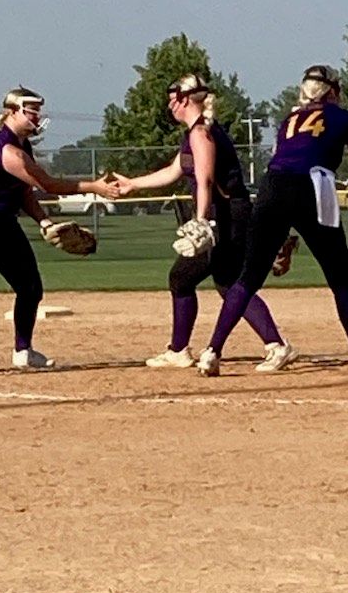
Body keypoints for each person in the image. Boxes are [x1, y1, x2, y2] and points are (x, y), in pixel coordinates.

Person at [196, 65, 348, 379]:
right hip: (314, 185)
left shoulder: (288, 120)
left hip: (273, 185)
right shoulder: (345, 118)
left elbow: (287, 159)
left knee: (249, 277)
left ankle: (212, 352)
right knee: (340, 278)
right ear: (332, 91)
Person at [113, 74, 297, 372]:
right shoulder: (196, 132)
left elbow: (205, 180)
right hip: (227, 213)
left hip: (222, 215)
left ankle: (178, 350)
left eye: (172, 99)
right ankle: (276, 345)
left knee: (181, 278)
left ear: (184, 99)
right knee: (229, 284)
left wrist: (201, 220)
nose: (170, 105)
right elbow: (174, 171)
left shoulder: (202, 133)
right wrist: (132, 185)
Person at [0, 86, 120, 373]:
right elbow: (49, 185)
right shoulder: (6, 150)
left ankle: (23, 351)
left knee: (30, 287)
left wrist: (44, 222)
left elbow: (24, 192)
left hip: (4, 226)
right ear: (12, 112)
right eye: (31, 110)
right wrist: (94, 187)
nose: (37, 116)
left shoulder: (21, 146)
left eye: (37, 110)